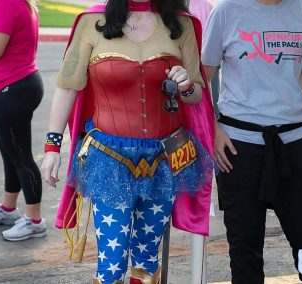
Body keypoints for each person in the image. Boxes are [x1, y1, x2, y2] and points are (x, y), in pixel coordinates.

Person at [40, 0, 214, 283]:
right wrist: (52, 147)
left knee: (147, 261)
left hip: (163, 159)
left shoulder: (181, 24)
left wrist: (186, 85)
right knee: (111, 263)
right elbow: (67, 86)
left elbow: (195, 94)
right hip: (109, 160)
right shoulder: (91, 22)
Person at [202, 0, 302, 283]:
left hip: (294, 142)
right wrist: (212, 129)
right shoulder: (226, 11)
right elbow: (202, 77)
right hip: (238, 146)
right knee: (244, 246)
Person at [0, 0, 46, 241]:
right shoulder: (21, 3)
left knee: (20, 157)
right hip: (18, 85)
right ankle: (8, 208)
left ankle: (34, 221)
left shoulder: (5, 2)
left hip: (12, 87)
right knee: (10, 152)